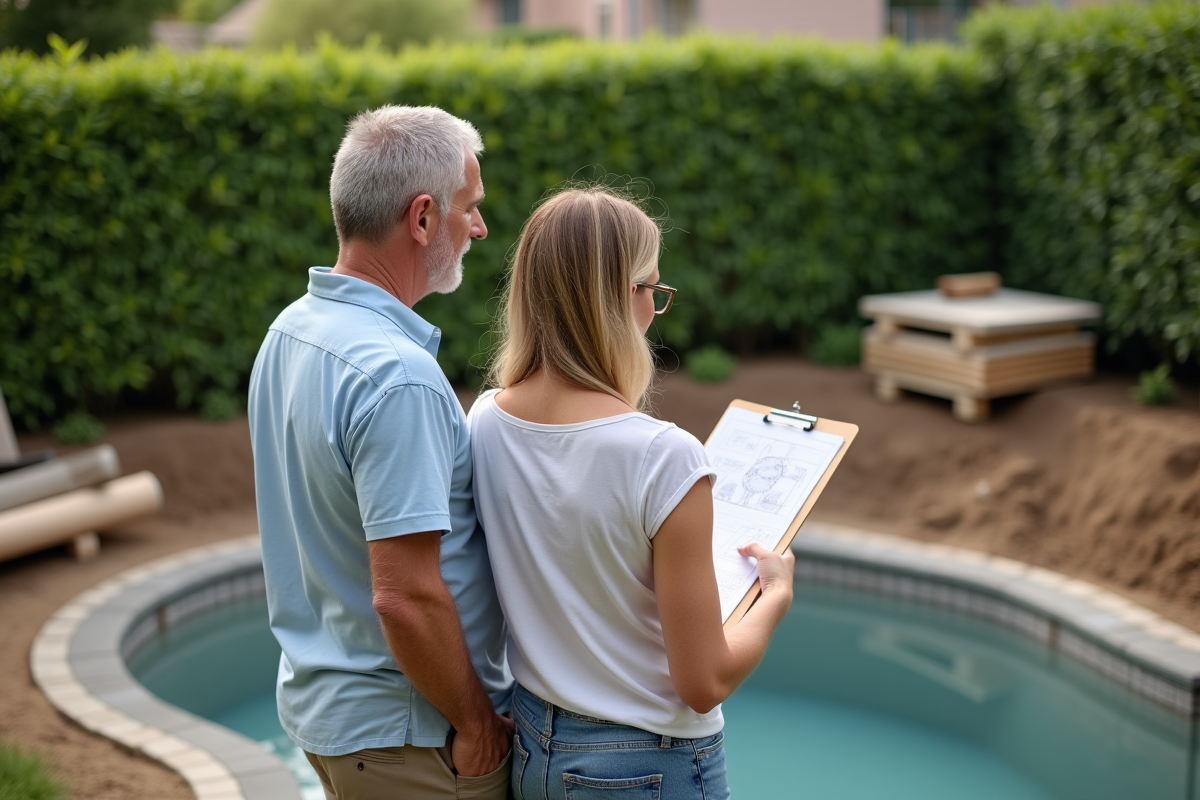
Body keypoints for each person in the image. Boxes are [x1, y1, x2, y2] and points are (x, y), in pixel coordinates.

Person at [467, 186, 796, 800]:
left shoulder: (485, 420)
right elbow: (703, 681)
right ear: (621, 298)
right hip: (649, 762)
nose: (655, 308)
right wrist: (775, 595)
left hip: (534, 746)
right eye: (653, 289)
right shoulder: (662, 455)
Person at [247, 105, 514, 800]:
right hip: (411, 738)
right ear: (422, 217)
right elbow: (405, 595)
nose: (479, 228)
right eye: (470, 207)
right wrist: (477, 723)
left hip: (333, 718)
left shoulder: (290, 331)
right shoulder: (397, 376)